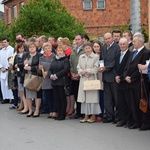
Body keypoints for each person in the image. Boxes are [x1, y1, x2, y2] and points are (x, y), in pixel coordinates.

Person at [124, 32, 150, 130]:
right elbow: (127, 66)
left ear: (140, 41)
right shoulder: (132, 52)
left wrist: (132, 77)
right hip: (130, 82)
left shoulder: (146, 52)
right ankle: (136, 121)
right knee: (133, 103)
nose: (133, 43)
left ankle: (145, 122)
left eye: (134, 41)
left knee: (142, 102)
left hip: (140, 82)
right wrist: (126, 76)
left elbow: (142, 68)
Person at [77, 42, 100, 123]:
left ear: (91, 48)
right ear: (84, 49)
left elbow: (96, 68)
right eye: (86, 48)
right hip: (83, 79)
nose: (87, 50)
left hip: (91, 79)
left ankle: (93, 116)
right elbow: (78, 67)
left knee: (92, 98)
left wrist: (87, 71)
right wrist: (81, 72)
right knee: (84, 98)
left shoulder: (96, 57)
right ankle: (86, 115)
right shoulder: (81, 57)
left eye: (89, 48)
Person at [99, 32, 120, 123]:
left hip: (113, 75)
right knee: (107, 98)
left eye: (109, 38)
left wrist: (106, 68)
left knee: (116, 98)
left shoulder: (117, 47)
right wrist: (101, 66)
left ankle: (117, 116)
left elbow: (116, 61)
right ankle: (109, 116)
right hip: (105, 76)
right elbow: (101, 59)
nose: (107, 40)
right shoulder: (103, 48)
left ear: (112, 38)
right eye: (105, 39)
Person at [114, 37, 131, 127]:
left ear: (128, 44)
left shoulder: (130, 55)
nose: (122, 46)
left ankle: (128, 120)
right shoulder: (117, 55)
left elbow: (127, 68)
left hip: (125, 81)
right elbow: (116, 67)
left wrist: (121, 77)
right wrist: (116, 76)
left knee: (127, 101)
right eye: (120, 44)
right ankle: (122, 119)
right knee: (120, 102)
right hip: (118, 81)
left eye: (124, 44)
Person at [50, 45, 70, 120]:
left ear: (63, 52)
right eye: (58, 51)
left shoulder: (65, 59)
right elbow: (50, 69)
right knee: (56, 98)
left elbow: (66, 69)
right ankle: (58, 113)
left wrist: (57, 75)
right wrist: (51, 75)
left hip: (62, 81)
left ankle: (62, 114)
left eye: (61, 51)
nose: (59, 52)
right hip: (54, 81)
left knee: (62, 98)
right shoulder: (54, 59)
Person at [23, 42, 42, 117]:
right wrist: (24, 64)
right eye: (30, 47)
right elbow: (20, 64)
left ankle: (37, 110)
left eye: (33, 47)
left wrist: (31, 68)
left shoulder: (39, 55)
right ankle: (30, 110)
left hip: (36, 76)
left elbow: (40, 67)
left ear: (36, 47)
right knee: (28, 94)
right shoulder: (26, 55)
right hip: (27, 76)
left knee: (37, 94)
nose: (32, 48)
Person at [39, 42, 56, 118]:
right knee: (48, 95)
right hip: (45, 79)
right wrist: (39, 69)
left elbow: (55, 67)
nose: (47, 50)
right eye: (45, 48)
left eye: (49, 48)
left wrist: (48, 72)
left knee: (54, 95)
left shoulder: (54, 57)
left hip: (52, 78)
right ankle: (50, 110)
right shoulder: (41, 58)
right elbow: (39, 70)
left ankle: (55, 111)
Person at [70, 34, 85, 119]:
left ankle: (83, 112)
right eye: (76, 39)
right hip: (74, 75)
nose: (77, 41)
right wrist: (72, 73)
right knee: (76, 94)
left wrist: (79, 74)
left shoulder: (84, 49)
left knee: (82, 95)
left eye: (78, 39)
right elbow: (71, 63)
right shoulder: (74, 50)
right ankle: (78, 112)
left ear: (82, 39)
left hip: (82, 76)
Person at [59, 37, 75, 116]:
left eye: (61, 45)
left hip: (69, 74)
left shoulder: (69, 52)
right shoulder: (65, 52)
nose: (60, 46)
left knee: (70, 92)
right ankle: (68, 107)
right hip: (65, 75)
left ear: (65, 45)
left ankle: (71, 107)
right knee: (67, 92)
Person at [13, 43, 28, 112]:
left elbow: (24, 64)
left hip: (24, 74)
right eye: (19, 48)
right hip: (19, 74)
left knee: (24, 90)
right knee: (20, 90)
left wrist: (18, 65)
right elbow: (14, 65)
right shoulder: (16, 56)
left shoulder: (26, 55)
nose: (21, 49)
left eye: (22, 48)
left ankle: (25, 105)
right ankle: (22, 104)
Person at [92, 39, 104, 122]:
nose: (96, 48)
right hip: (92, 77)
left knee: (101, 97)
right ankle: (93, 114)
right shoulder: (91, 55)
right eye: (94, 46)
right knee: (93, 97)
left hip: (100, 77)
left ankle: (100, 114)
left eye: (97, 46)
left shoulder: (102, 55)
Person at [0, 38, 14, 104]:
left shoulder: (11, 49)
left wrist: (6, 67)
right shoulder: (1, 51)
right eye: (3, 42)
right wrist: (1, 67)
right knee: (3, 84)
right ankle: (5, 98)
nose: (4, 43)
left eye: (5, 42)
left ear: (8, 42)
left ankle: (11, 98)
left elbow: (11, 59)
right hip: (2, 70)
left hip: (8, 69)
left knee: (8, 84)